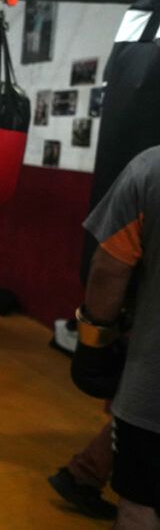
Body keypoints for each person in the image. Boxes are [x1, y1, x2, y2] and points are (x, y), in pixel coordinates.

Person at [67, 146, 160, 528]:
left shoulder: (150, 167)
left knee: (140, 506)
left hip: (152, 389)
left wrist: (93, 345)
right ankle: (82, 472)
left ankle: (83, 473)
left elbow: (108, 269)